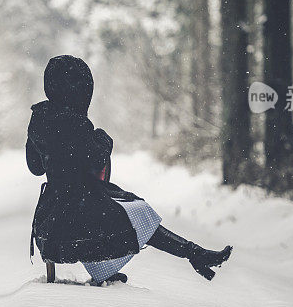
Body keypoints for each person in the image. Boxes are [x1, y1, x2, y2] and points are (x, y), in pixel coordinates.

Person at [27, 54, 232, 285]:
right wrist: (103, 139)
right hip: (76, 209)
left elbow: (34, 167)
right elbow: (95, 160)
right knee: (137, 212)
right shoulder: (74, 121)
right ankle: (194, 254)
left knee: (128, 211)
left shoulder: (38, 119)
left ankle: (193, 254)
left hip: (52, 218)